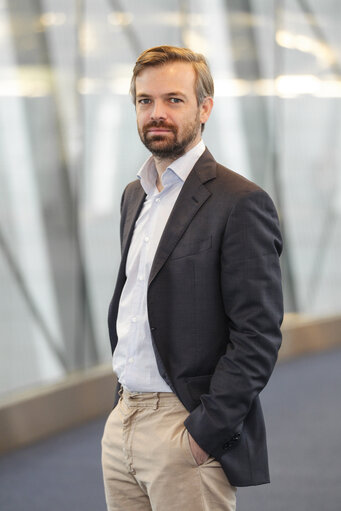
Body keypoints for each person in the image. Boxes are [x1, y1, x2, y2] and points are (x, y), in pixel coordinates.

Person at [102, 45, 283, 511]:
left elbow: (258, 333)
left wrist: (205, 433)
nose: (156, 113)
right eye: (145, 101)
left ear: (205, 108)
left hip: (183, 428)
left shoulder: (240, 201)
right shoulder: (133, 196)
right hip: (123, 420)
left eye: (173, 100)